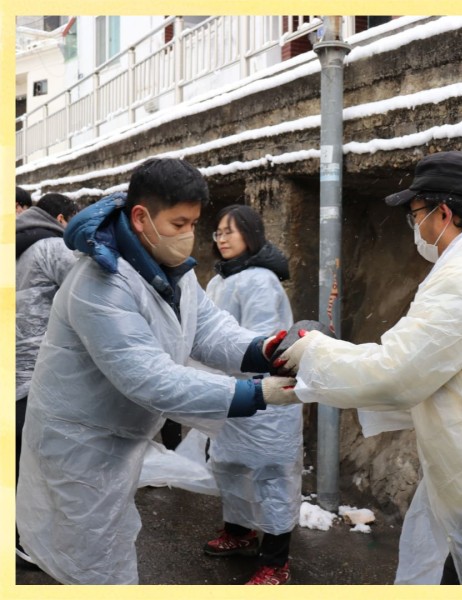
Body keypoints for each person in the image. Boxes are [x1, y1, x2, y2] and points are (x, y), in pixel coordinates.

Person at [273, 151, 462, 584]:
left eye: (415, 213)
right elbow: (438, 378)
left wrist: (315, 354)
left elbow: (397, 374)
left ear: (443, 213)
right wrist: (314, 376)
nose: (412, 225)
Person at [16, 158, 296, 585]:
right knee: (94, 567)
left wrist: (261, 350)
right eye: (179, 222)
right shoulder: (100, 284)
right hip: (78, 447)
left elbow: (207, 328)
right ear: (141, 217)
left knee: (111, 551)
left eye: (194, 223)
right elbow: (149, 378)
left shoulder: (171, 271)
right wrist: (258, 394)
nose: (189, 235)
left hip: (118, 438)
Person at [203, 204, 302, 585]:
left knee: (271, 472)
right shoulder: (220, 280)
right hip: (231, 391)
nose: (223, 238)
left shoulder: (259, 279)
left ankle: (276, 561)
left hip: (266, 394)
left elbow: (260, 342)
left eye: (231, 231)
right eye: (218, 232)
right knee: (228, 463)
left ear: (251, 234)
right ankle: (240, 531)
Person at [15, 192, 79, 564]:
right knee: (36, 466)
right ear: (61, 218)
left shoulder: (17, 244)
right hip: (39, 376)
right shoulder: (53, 246)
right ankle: (26, 542)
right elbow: (91, 295)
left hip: (15, 375)